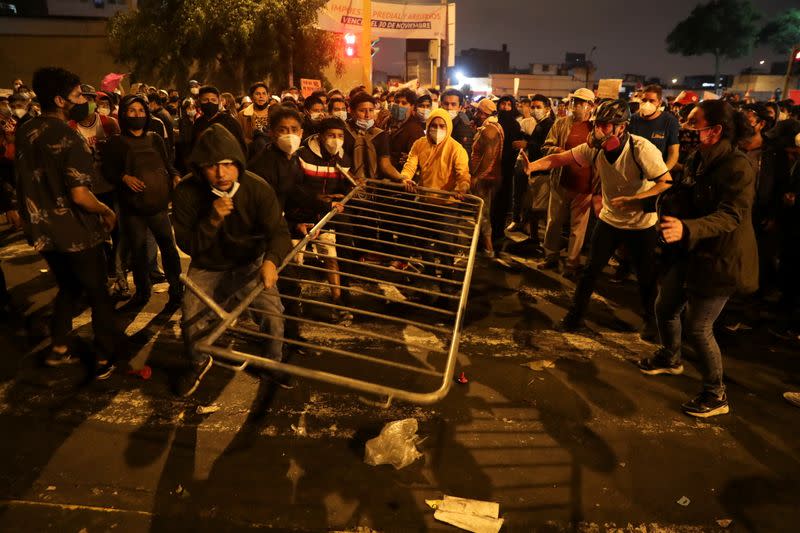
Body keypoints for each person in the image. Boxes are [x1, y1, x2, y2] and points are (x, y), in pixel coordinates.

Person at [638, 100, 758, 418]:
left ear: (715, 130)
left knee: (698, 325)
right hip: (691, 250)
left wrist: (687, 228)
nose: (686, 129)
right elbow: (685, 194)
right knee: (665, 307)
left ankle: (715, 393)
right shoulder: (698, 158)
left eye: (694, 123)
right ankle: (670, 356)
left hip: (721, 258)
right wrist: (652, 203)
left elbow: (731, 215)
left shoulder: (738, 166)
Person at [527, 99, 672, 340]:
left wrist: (636, 200)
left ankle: (652, 323)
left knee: (646, 277)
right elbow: (559, 159)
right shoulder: (594, 149)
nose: (599, 131)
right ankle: (574, 318)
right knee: (590, 271)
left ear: (622, 128)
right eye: (597, 124)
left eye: (606, 125)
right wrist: (531, 166)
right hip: (610, 220)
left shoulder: (642, 149)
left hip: (641, 224)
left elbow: (665, 182)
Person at [15, 67, 120, 377]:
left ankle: (59, 347)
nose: (82, 100)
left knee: (68, 287)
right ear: (60, 100)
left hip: (41, 231)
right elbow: (80, 195)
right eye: (76, 96)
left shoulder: (25, 130)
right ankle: (103, 356)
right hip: (75, 234)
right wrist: (105, 211)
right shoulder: (67, 136)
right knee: (98, 292)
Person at [172, 124, 291, 397]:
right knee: (192, 317)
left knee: (273, 314)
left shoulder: (257, 188)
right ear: (200, 168)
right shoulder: (186, 192)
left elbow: (279, 232)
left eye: (227, 164)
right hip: (207, 264)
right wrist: (212, 220)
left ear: (238, 163)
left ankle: (272, 362)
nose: (221, 173)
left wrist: (271, 260)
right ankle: (197, 362)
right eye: (212, 166)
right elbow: (188, 245)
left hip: (250, 261)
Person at [102, 94, 183, 309]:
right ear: (123, 114)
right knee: (138, 252)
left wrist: (174, 175)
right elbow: (107, 170)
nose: (137, 115)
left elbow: (167, 162)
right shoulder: (116, 142)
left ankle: (176, 290)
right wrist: (123, 177)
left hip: (158, 206)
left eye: (140, 110)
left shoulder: (154, 138)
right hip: (133, 208)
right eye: (132, 111)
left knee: (169, 249)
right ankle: (143, 291)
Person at [290, 117, 354, 322]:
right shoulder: (301, 155)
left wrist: (346, 191)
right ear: (320, 136)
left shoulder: (343, 158)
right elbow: (296, 189)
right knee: (294, 260)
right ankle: (292, 302)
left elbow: (343, 188)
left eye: (340, 136)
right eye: (331, 136)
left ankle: (337, 302)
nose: (336, 140)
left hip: (326, 216)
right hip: (298, 215)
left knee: (331, 256)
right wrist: (321, 200)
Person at [540, 88, 596, 276]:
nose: (577, 106)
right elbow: (546, 146)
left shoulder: (596, 128)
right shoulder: (561, 123)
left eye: (581, 102)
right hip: (560, 181)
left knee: (578, 229)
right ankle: (550, 257)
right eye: (575, 102)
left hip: (585, 186)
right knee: (554, 222)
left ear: (591, 106)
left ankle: (572, 263)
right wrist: (556, 150)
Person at [469, 98, 504, 256]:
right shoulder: (493, 126)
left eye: (477, 111)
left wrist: (477, 177)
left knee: (482, 212)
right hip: (488, 178)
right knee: (482, 211)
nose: (475, 114)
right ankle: (483, 245)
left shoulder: (489, 130)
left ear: (483, 114)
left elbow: (489, 157)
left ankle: (489, 248)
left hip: (484, 179)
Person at [628, 85, 680, 170]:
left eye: (652, 101)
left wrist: (664, 172)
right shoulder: (632, 119)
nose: (647, 103)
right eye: (644, 100)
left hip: (657, 171)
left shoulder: (669, 121)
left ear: (659, 103)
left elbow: (673, 152)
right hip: (634, 171)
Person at [493, 96, 522, 244]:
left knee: (501, 201)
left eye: (509, 105)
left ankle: (497, 233)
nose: (505, 107)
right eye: (503, 104)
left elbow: (514, 148)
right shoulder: (493, 122)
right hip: (491, 170)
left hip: (505, 170)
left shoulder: (515, 125)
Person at [192, 85, 247, 154]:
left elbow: (241, 148)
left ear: (218, 101)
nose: (210, 103)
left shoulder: (230, 122)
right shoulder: (198, 123)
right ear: (199, 102)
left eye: (213, 100)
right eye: (205, 100)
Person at [385, 88, 425, 172]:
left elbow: (416, 159)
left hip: (400, 176)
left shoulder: (415, 130)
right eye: (397, 102)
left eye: (404, 103)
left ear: (412, 106)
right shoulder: (387, 122)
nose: (399, 105)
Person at [440, 89, 475, 154]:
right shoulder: (439, 123)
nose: (449, 107)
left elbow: (464, 155)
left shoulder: (464, 129)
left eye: (453, 104)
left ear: (460, 107)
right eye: (446, 104)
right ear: (441, 105)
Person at [237, 82, 271, 146]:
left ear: (267, 96)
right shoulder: (243, 115)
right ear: (252, 97)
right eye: (257, 94)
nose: (261, 96)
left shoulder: (275, 112)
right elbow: (239, 136)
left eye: (264, 93)